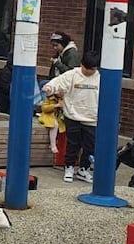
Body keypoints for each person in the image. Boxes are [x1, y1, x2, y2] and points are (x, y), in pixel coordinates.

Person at [41, 50, 100, 184]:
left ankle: (84, 169)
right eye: (86, 68)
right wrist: (50, 87)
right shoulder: (72, 75)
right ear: (81, 64)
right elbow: (58, 82)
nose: (88, 72)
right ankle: (69, 167)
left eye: (91, 69)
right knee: (73, 144)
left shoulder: (101, 78)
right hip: (73, 116)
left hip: (92, 118)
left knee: (89, 146)